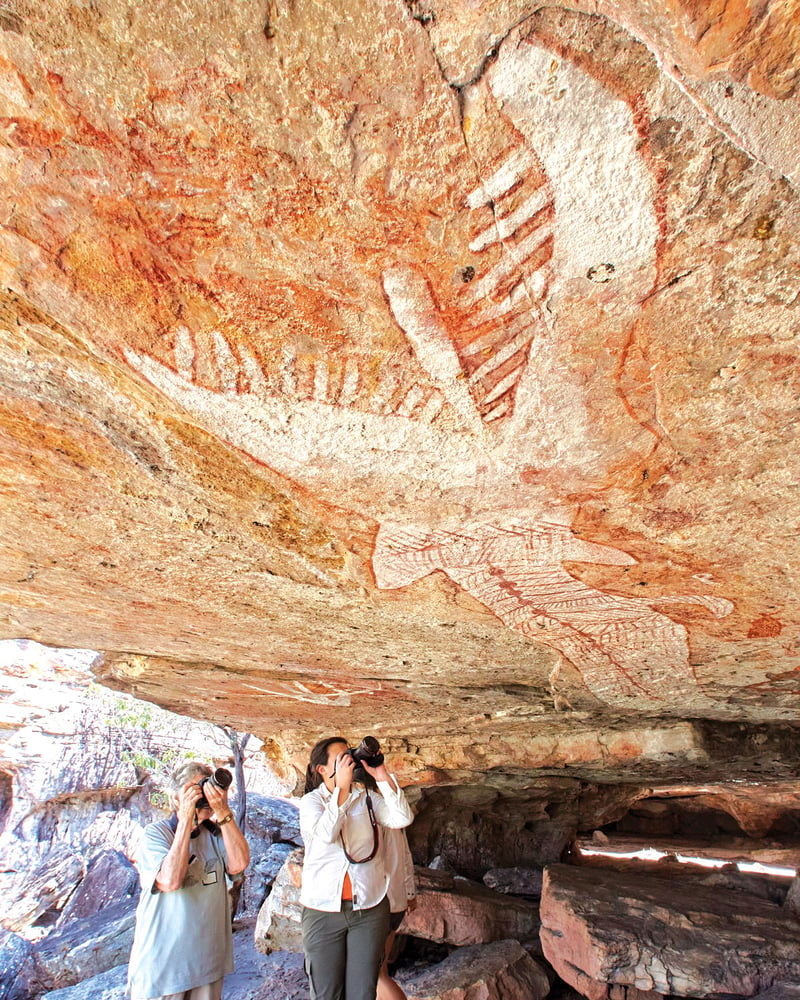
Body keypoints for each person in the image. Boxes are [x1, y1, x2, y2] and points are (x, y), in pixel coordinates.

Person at [300, 736, 413, 1000]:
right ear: (322, 770)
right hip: (322, 910)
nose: (349, 762)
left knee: (363, 992)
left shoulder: (368, 799)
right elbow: (325, 835)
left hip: (369, 908)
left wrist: (380, 772)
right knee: (327, 992)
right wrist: (340, 791)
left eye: (349, 756)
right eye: (341, 759)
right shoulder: (311, 803)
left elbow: (402, 817)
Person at [127, 761, 250, 1000]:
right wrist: (185, 820)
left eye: (207, 788)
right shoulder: (157, 834)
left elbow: (240, 863)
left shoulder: (215, 833)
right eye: (196, 790)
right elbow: (169, 881)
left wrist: (223, 811)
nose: (204, 796)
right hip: (163, 972)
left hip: (208, 967)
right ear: (176, 798)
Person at [377, 826, 417, 1000]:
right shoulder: (395, 818)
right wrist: (410, 893)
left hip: (378, 904)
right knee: (380, 971)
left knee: (376, 975)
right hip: (395, 902)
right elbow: (406, 857)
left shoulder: (372, 816)